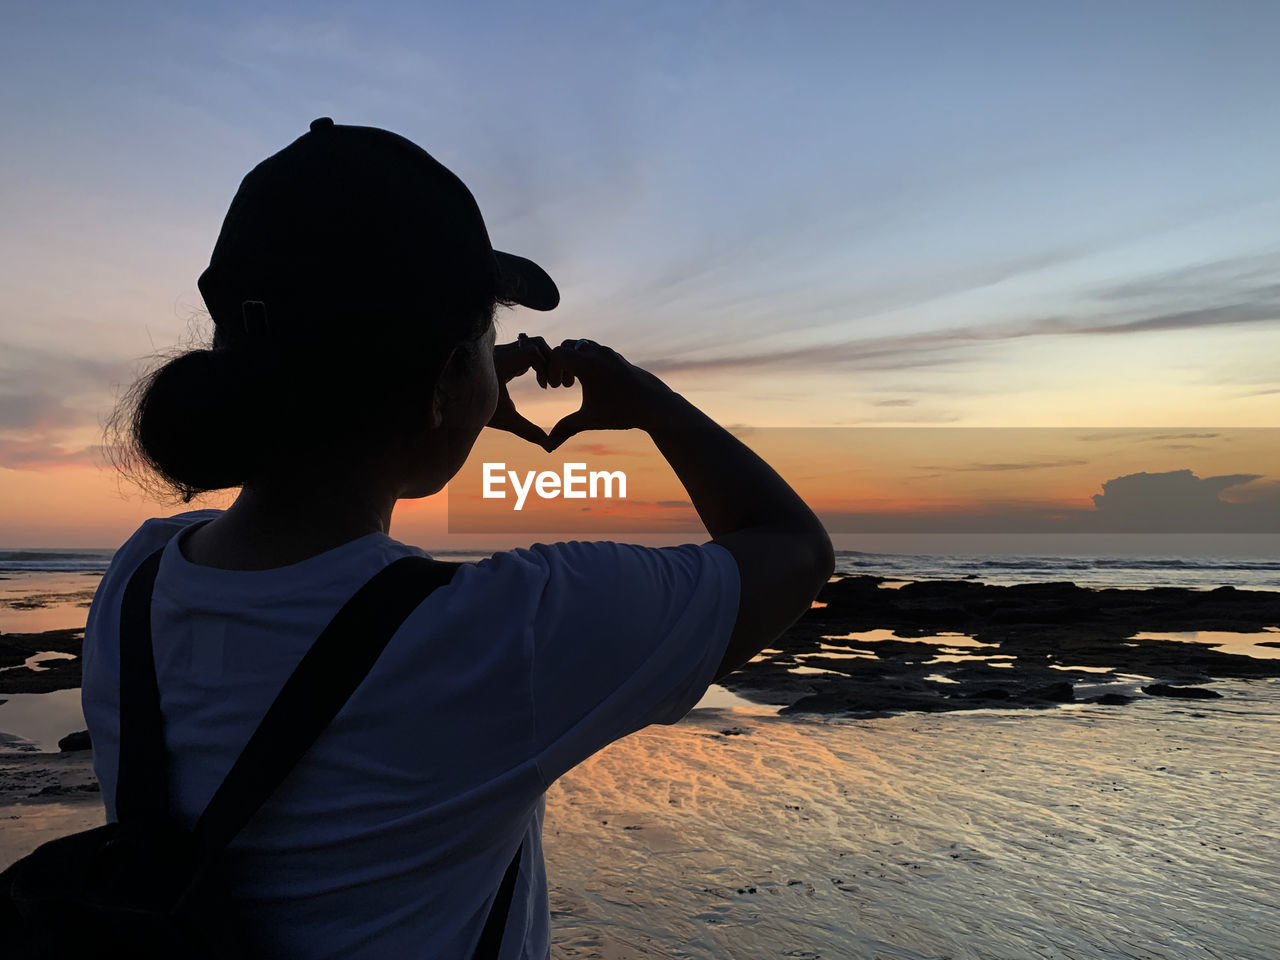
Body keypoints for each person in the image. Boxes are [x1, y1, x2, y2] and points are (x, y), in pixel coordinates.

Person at [82, 118, 833, 959]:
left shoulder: (137, 581)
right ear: (445, 376)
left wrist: (453, 389)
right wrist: (644, 400)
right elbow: (793, 548)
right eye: (484, 337)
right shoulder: (499, 633)